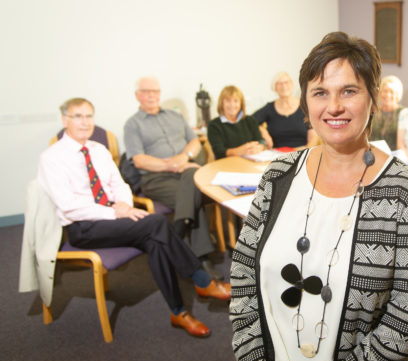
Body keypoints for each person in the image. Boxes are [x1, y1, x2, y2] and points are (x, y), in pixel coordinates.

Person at [230, 32, 408, 361]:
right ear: (305, 102)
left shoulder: (406, 191)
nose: (334, 106)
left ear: (373, 98)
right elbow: (242, 276)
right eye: (320, 92)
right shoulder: (277, 175)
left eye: (349, 91)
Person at [38, 98, 231, 338]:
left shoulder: (99, 151)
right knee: (157, 223)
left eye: (89, 116)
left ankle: (178, 312)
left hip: (115, 218)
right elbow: (68, 206)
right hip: (83, 228)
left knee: (156, 240)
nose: (85, 122)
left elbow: (119, 185)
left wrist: (125, 206)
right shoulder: (52, 157)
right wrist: (115, 212)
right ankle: (202, 280)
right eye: (78, 116)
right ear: (65, 120)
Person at [123, 76, 224, 280]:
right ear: (137, 95)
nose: (152, 95)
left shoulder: (175, 116)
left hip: (186, 171)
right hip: (156, 179)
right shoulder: (132, 124)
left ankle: (176, 236)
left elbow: (195, 142)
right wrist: (171, 164)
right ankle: (202, 258)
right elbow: (139, 160)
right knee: (193, 190)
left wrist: (184, 158)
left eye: (155, 91)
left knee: (191, 180)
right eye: (146, 91)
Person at [252, 71, 318, 149]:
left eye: (286, 82)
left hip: (301, 151)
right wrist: (263, 132)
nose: (284, 86)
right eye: (279, 83)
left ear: (292, 85)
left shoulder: (305, 107)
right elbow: (250, 122)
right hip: (277, 154)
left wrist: (305, 154)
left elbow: (313, 138)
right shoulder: (269, 108)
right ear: (274, 87)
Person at [207, 85, 266, 159]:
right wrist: (239, 150)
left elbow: (261, 141)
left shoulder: (250, 120)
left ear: (241, 104)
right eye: (228, 100)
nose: (232, 104)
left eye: (236, 101)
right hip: (225, 165)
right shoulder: (214, 125)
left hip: (250, 162)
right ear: (222, 103)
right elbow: (219, 152)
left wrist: (260, 147)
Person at [369, 75, 403, 150]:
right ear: (380, 93)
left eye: (391, 92)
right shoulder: (372, 111)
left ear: (397, 94)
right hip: (372, 154)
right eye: (385, 91)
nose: (387, 95)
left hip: (394, 156)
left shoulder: (403, 113)